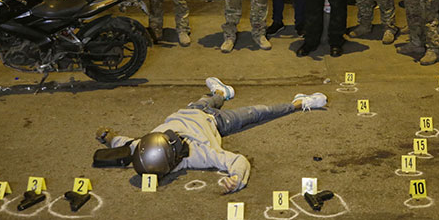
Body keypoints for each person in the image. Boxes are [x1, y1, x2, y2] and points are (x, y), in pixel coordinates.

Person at [96, 77, 327, 192]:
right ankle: (299, 103)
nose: (181, 141)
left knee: (211, 98)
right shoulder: (197, 155)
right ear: (173, 161)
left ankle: (221, 92)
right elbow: (237, 161)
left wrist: (109, 136)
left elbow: (125, 143)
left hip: (191, 110)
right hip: (216, 121)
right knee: (258, 112)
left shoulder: (143, 146)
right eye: (178, 145)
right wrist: (236, 180)